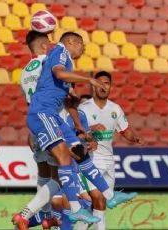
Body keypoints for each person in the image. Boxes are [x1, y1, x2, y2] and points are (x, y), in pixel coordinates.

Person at [19, 32, 134, 227]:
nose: (83, 49)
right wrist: (89, 80)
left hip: (53, 115)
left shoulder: (64, 60)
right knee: (64, 158)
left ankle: (109, 196)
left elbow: (62, 90)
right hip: (43, 113)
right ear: (71, 42)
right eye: (81, 45)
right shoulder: (61, 51)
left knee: (80, 153)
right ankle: (74, 210)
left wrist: (81, 128)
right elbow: (59, 73)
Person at [78, 71, 142, 230]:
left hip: (109, 161)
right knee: (97, 200)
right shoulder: (84, 108)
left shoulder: (116, 109)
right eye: (100, 83)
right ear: (94, 85)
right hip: (90, 161)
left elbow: (125, 130)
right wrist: (91, 129)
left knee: (100, 205)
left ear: (110, 86)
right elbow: (75, 130)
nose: (103, 86)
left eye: (106, 83)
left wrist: (134, 138)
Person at [18, 30, 61, 229]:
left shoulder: (24, 71)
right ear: (44, 46)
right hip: (52, 122)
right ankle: (26, 214)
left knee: (43, 172)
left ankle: (47, 216)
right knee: (61, 175)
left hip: (36, 125)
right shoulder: (49, 65)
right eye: (50, 44)